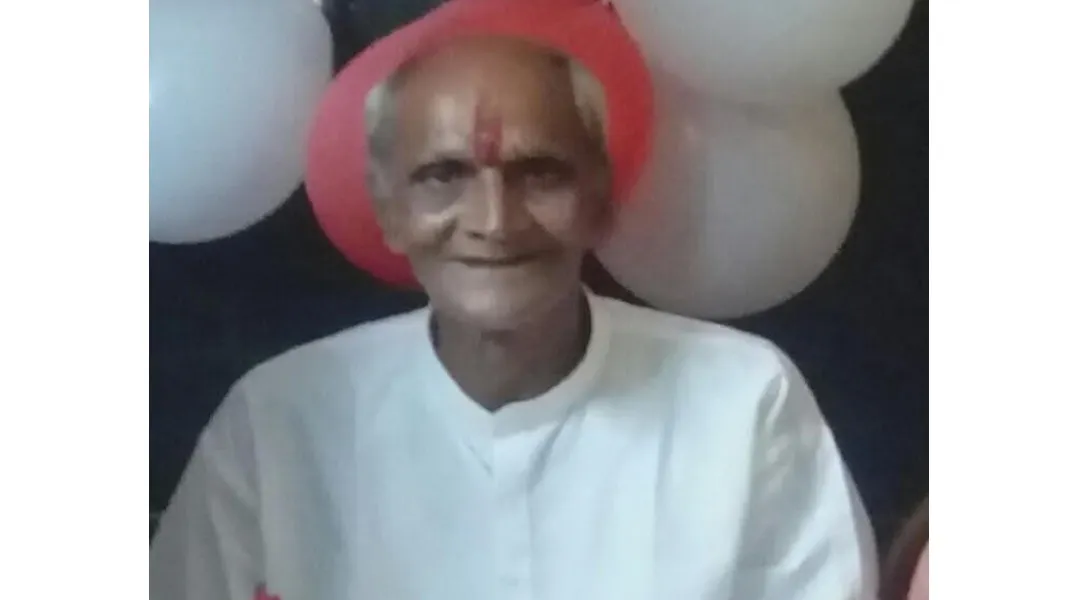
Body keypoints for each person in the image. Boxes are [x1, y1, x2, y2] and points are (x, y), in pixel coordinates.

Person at [150, 33, 877, 600]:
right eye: (443, 176)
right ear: (388, 210)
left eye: (539, 174)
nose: (494, 222)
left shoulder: (742, 401)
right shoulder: (277, 421)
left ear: (600, 201)